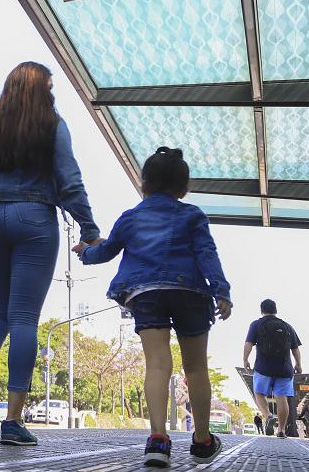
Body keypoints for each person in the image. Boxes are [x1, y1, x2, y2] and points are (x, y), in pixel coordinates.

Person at [0, 62, 100, 446]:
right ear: (42, 89)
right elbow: (70, 179)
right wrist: (89, 229)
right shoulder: (52, 125)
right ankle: (13, 420)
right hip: (34, 218)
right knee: (24, 318)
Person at [75, 147, 232, 467]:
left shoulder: (130, 218)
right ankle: (202, 440)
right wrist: (221, 292)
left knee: (158, 365)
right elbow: (207, 255)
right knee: (196, 369)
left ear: (143, 183)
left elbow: (105, 252)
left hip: (146, 293)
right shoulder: (193, 215)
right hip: (190, 291)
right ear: (183, 188)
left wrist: (84, 252)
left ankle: (158, 439)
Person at [243, 298, 303, 438]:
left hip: (263, 367)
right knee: (281, 397)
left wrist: (245, 360)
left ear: (262, 310)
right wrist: (298, 365)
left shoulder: (257, 324)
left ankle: (268, 415)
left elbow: (249, 343)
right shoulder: (287, 326)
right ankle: (281, 430)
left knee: (259, 392)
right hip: (284, 368)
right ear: (275, 310)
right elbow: (295, 349)